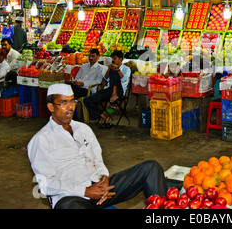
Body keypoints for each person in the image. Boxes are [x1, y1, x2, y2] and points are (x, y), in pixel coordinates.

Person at [27, 83, 168, 209]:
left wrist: (104, 178)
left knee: (151, 167)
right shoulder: (41, 140)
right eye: (63, 102)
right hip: (72, 197)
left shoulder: (84, 129)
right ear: (51, 106)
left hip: (99, 188)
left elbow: (98, 161)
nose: (70, 107)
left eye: (72, 101)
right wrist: (85, 191)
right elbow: (45, 185)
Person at [83, 50, 131, 128]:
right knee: (87, 100)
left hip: (120, 91)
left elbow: (124, 79)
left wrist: (117, 69)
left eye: (115, 58)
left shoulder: (126, 69)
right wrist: (109, 69)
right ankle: (103, 116)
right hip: (109, 89)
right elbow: (105, 78)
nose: (113, 60)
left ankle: (114, 94)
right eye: (112, 58)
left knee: (115, 71)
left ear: (120, 59)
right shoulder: (112, 67)